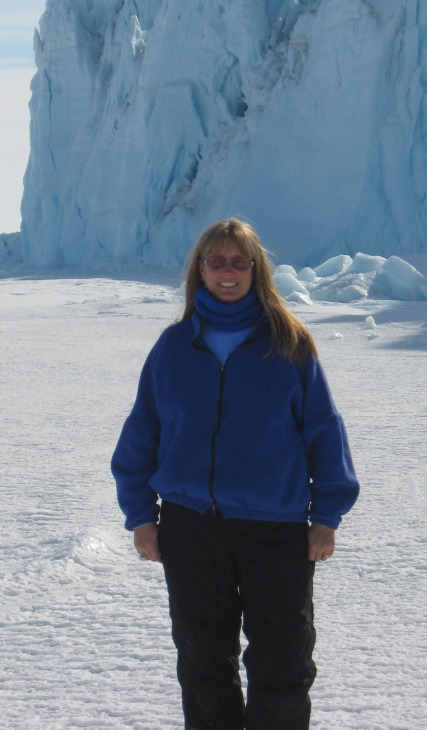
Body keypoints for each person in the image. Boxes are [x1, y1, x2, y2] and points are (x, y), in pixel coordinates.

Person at [111, 218, 359, 730]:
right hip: (191, 528)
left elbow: (323, 431)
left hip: (276, 529)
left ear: (255, 270)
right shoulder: (174, 347)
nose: (228, 272)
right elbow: (143, 432)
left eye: (239, 261)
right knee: (203, 667)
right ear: (201, 271)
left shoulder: (289, 343)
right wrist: (141, 516)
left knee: (283, 666)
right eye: (217, 261)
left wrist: (327, 514)